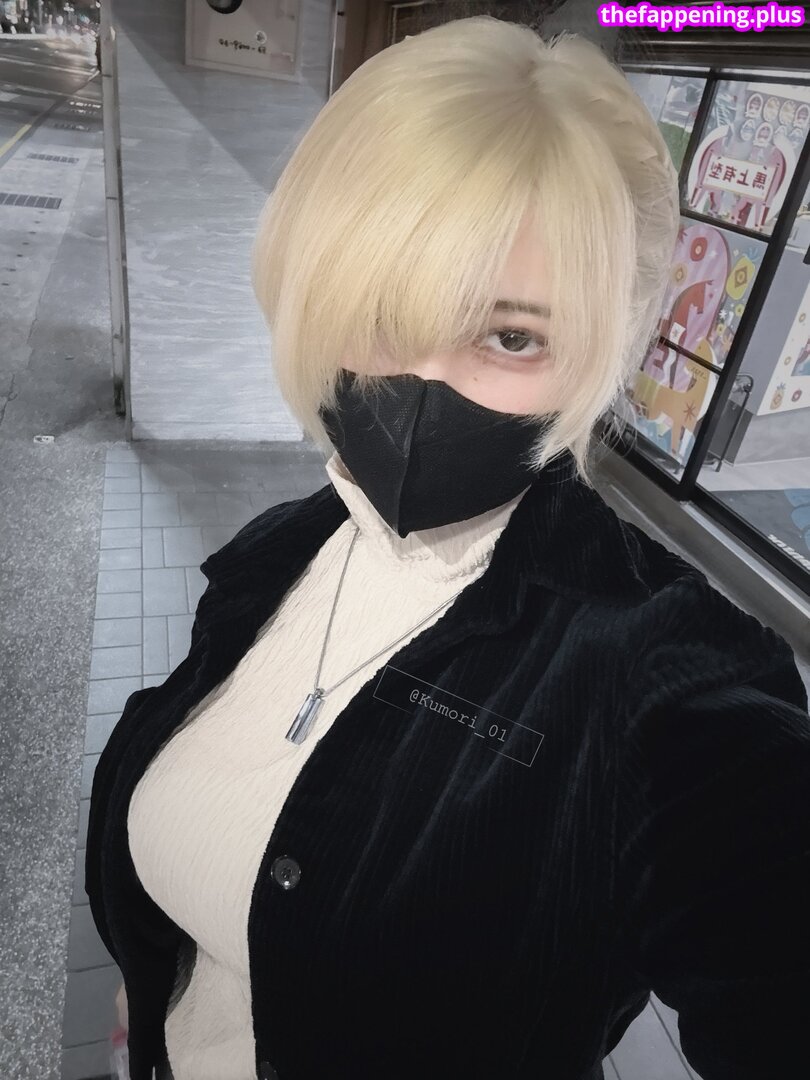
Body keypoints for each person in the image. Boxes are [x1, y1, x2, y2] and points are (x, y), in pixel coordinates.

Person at [85, 16, 810, 1080]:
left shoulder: (659, 676)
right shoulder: (276, 555)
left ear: (597, 351)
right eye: (384, 309)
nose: (424, 384)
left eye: (511, 336)